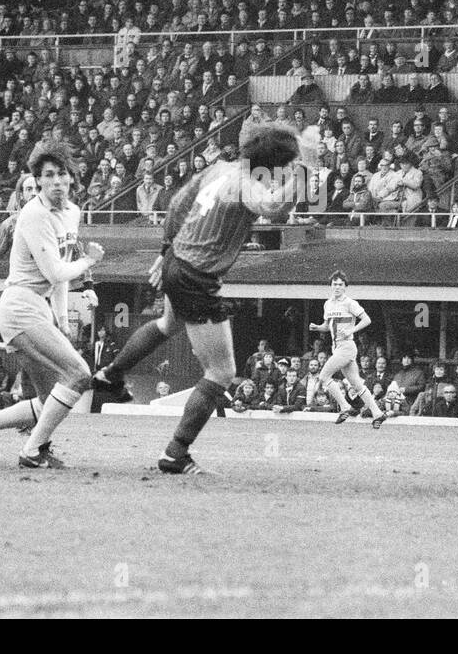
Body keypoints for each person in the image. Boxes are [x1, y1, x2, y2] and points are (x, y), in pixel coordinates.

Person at [89, 121, 305, 474]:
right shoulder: (246, 184)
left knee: (167, 323)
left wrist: (164, 251)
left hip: (178, 259)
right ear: (273, 164)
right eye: (283, 166)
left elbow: (176, 204)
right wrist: (300, 176)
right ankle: (175, 453)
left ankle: (111, 375)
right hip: (197, 276)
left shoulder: (221, 169)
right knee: (222, 372)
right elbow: (274, 211)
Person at [0, 142, 104, 468]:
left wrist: (62, 320)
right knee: (79, 374)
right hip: (20, 308)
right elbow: (56, 271)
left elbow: (59, 275)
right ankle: (33, 451)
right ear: (39, 181)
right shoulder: (33, 215)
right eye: (49, 176)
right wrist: (89, 261)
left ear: (72, 179)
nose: (58, 181)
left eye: (63, 174)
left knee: (50, 399)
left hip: (38, 308)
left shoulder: (72, 213)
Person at [308, 271, 386, 428]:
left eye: (340, 284)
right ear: (331, 286)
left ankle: (345, 407)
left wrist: (351, 330)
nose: (337, 287)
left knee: (323, 376)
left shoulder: (350, 303)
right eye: (334, 284)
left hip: (346, 346)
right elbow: (327, 326)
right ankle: (378, 413)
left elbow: (367, 320)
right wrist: (317, 327)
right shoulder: (328, 304)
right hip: (337, 347)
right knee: (357, 384)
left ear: (345, 287)